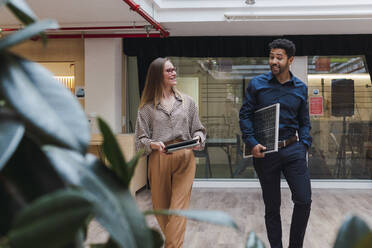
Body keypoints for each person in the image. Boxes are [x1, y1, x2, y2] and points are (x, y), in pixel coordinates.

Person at [239, 39, 312, 248]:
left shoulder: (300, 88)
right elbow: (245, 116)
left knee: (304, 200)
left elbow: (304, 122)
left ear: (290, 60)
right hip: (265, 153)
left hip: (293, 150)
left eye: (278, 58)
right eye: (271, 57)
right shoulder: (257, 85)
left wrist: (304, 145)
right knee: (272, 207)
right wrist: (252, 143)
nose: (273, 61)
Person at [135, 57, 206, 248]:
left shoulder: (188, 102)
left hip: (184, 157)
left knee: (178, 209)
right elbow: (140, 142)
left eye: (174, 69)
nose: (174, 73)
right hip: (159, 158)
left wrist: (199, 138)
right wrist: (154, 145)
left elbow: (198, 129)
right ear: (157, 75)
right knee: (161, 210)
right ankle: (173, 243)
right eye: (169, 70)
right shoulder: (146, 108)